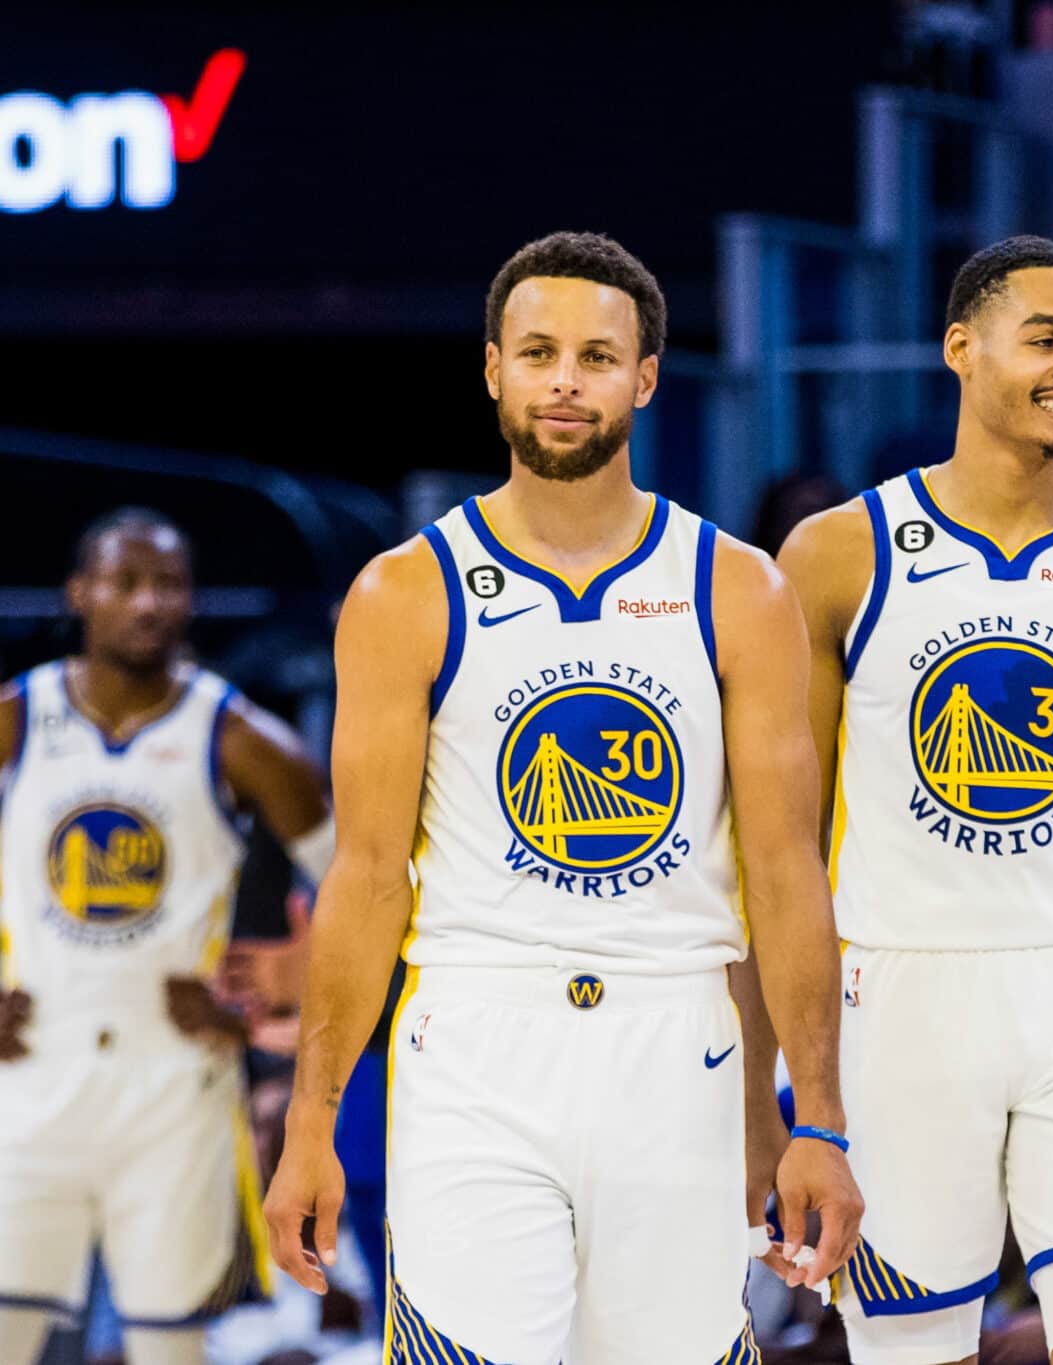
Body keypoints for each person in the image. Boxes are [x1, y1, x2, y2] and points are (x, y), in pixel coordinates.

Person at [260, 231, 860, 1363]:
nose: (566, 379)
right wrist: (311, 1122)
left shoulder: (738, 588)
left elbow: (785, 876)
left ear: (644, 378)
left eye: (596, 355)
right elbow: (366, 876)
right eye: (539, 352)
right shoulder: (404, 592)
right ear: (494, 369)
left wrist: (812, 1118)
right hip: (474, 1039)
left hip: (676, 1041)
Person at [777, 235, 1053, 1365]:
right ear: (959, 350)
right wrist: (794, 1099)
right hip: (896, 1006)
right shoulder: (835, 556)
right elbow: (775, 851)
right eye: (1046, 339)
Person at [0, 509, 333, 1365]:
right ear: (81, 593)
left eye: (170, 584)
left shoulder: (241, 736)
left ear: (192, 600)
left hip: (177, 1088)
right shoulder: (17, 719)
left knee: (170, 1348)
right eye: (126, 581)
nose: (148, 602)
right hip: (32, 1077)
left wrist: (271, 1007)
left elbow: (360, 882)